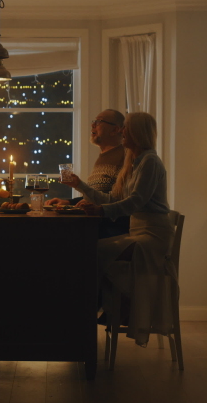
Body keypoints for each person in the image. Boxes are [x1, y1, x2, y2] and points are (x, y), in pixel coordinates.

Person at [62, 112, 174, 346]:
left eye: (126, 129)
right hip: (138, 231)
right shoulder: (135, 160)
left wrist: (101, 212)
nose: (122, 132)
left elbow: (137, 202)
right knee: (91, 252)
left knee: (91, 252)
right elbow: (112, 197)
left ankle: (99, 314)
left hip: (152, 235)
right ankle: (101, 313)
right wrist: (79, 185)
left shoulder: (151, 161)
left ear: (136, 133)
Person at [46, 108, 129, 238]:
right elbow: (98, 195)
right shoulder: (103, 157)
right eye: (94, 121)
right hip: (98, 223)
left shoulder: (126, 156)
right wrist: (68, 202)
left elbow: (117, 199)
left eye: (99, 121)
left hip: (112, 228)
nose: (93, 125)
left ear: (115, 130)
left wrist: (79, 185)